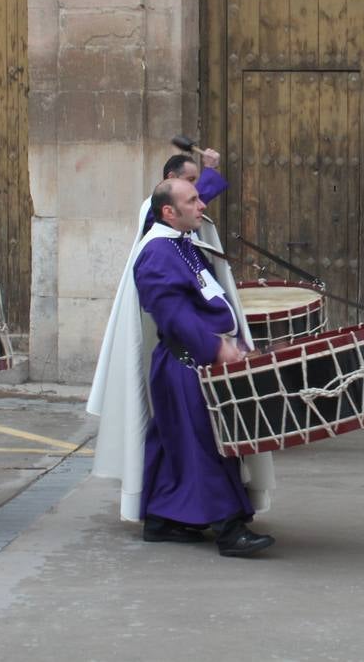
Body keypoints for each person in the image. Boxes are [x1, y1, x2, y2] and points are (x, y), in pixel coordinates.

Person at [87, 178, 275, 556]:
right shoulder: (157, 253)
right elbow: (172, 315)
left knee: (177, 442)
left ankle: (162, 520)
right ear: (169, 212)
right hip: (189, 363)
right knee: (209, 445)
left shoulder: (182, 243)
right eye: (192, 200)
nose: (202, 205)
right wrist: (214, 348)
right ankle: (229, 529)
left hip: (197, 360)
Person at [138, 147, 227, 235]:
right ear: (172, 177)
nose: (195, 185)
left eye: (196, 180)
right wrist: (210, 168)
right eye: (190, 179)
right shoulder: (155, 206)